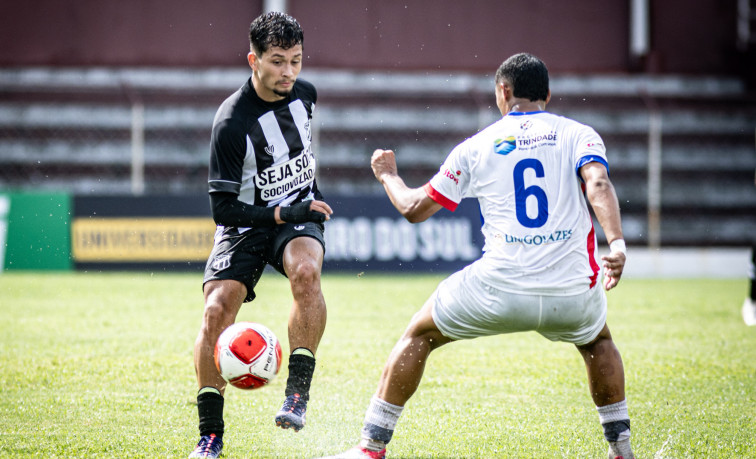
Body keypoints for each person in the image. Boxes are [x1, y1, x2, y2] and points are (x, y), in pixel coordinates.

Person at [324, 53, 634, 459]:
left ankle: (371, 447)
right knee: (599, 342)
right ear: (547, 95)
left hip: (498, 287)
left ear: (503, 92)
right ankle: (622, 449)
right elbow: (598, 181)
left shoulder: (476, 145)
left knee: (420, 334)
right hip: (571, 289)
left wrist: (388, 175)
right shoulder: (580, 134)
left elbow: (414, 209)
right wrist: (617, 242)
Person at [189, 11, 333, 459]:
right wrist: (282, 211)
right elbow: (222, 209)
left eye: (296, 60)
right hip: (246, 222)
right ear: (253, 60)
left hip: (297, 213)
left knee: (306, 271)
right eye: (277, 61)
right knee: (216, 310)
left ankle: (296, 394)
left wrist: (301, 206)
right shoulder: (231, 123)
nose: (288, 72)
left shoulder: (306, 96)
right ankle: (210, 435)